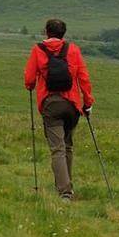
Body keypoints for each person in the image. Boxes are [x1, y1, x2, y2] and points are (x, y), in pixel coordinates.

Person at [23, 19, 95, 200]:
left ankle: (65, 191)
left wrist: (31, 85)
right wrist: (87, 103)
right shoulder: (73, 50)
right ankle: (68, 184)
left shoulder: (38, 50)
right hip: (72, 104)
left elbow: (29, 80)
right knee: (67, 145)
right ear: (63, 33)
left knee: (57, 148)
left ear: (46, 31)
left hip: (50, 104)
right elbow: (84, 78)